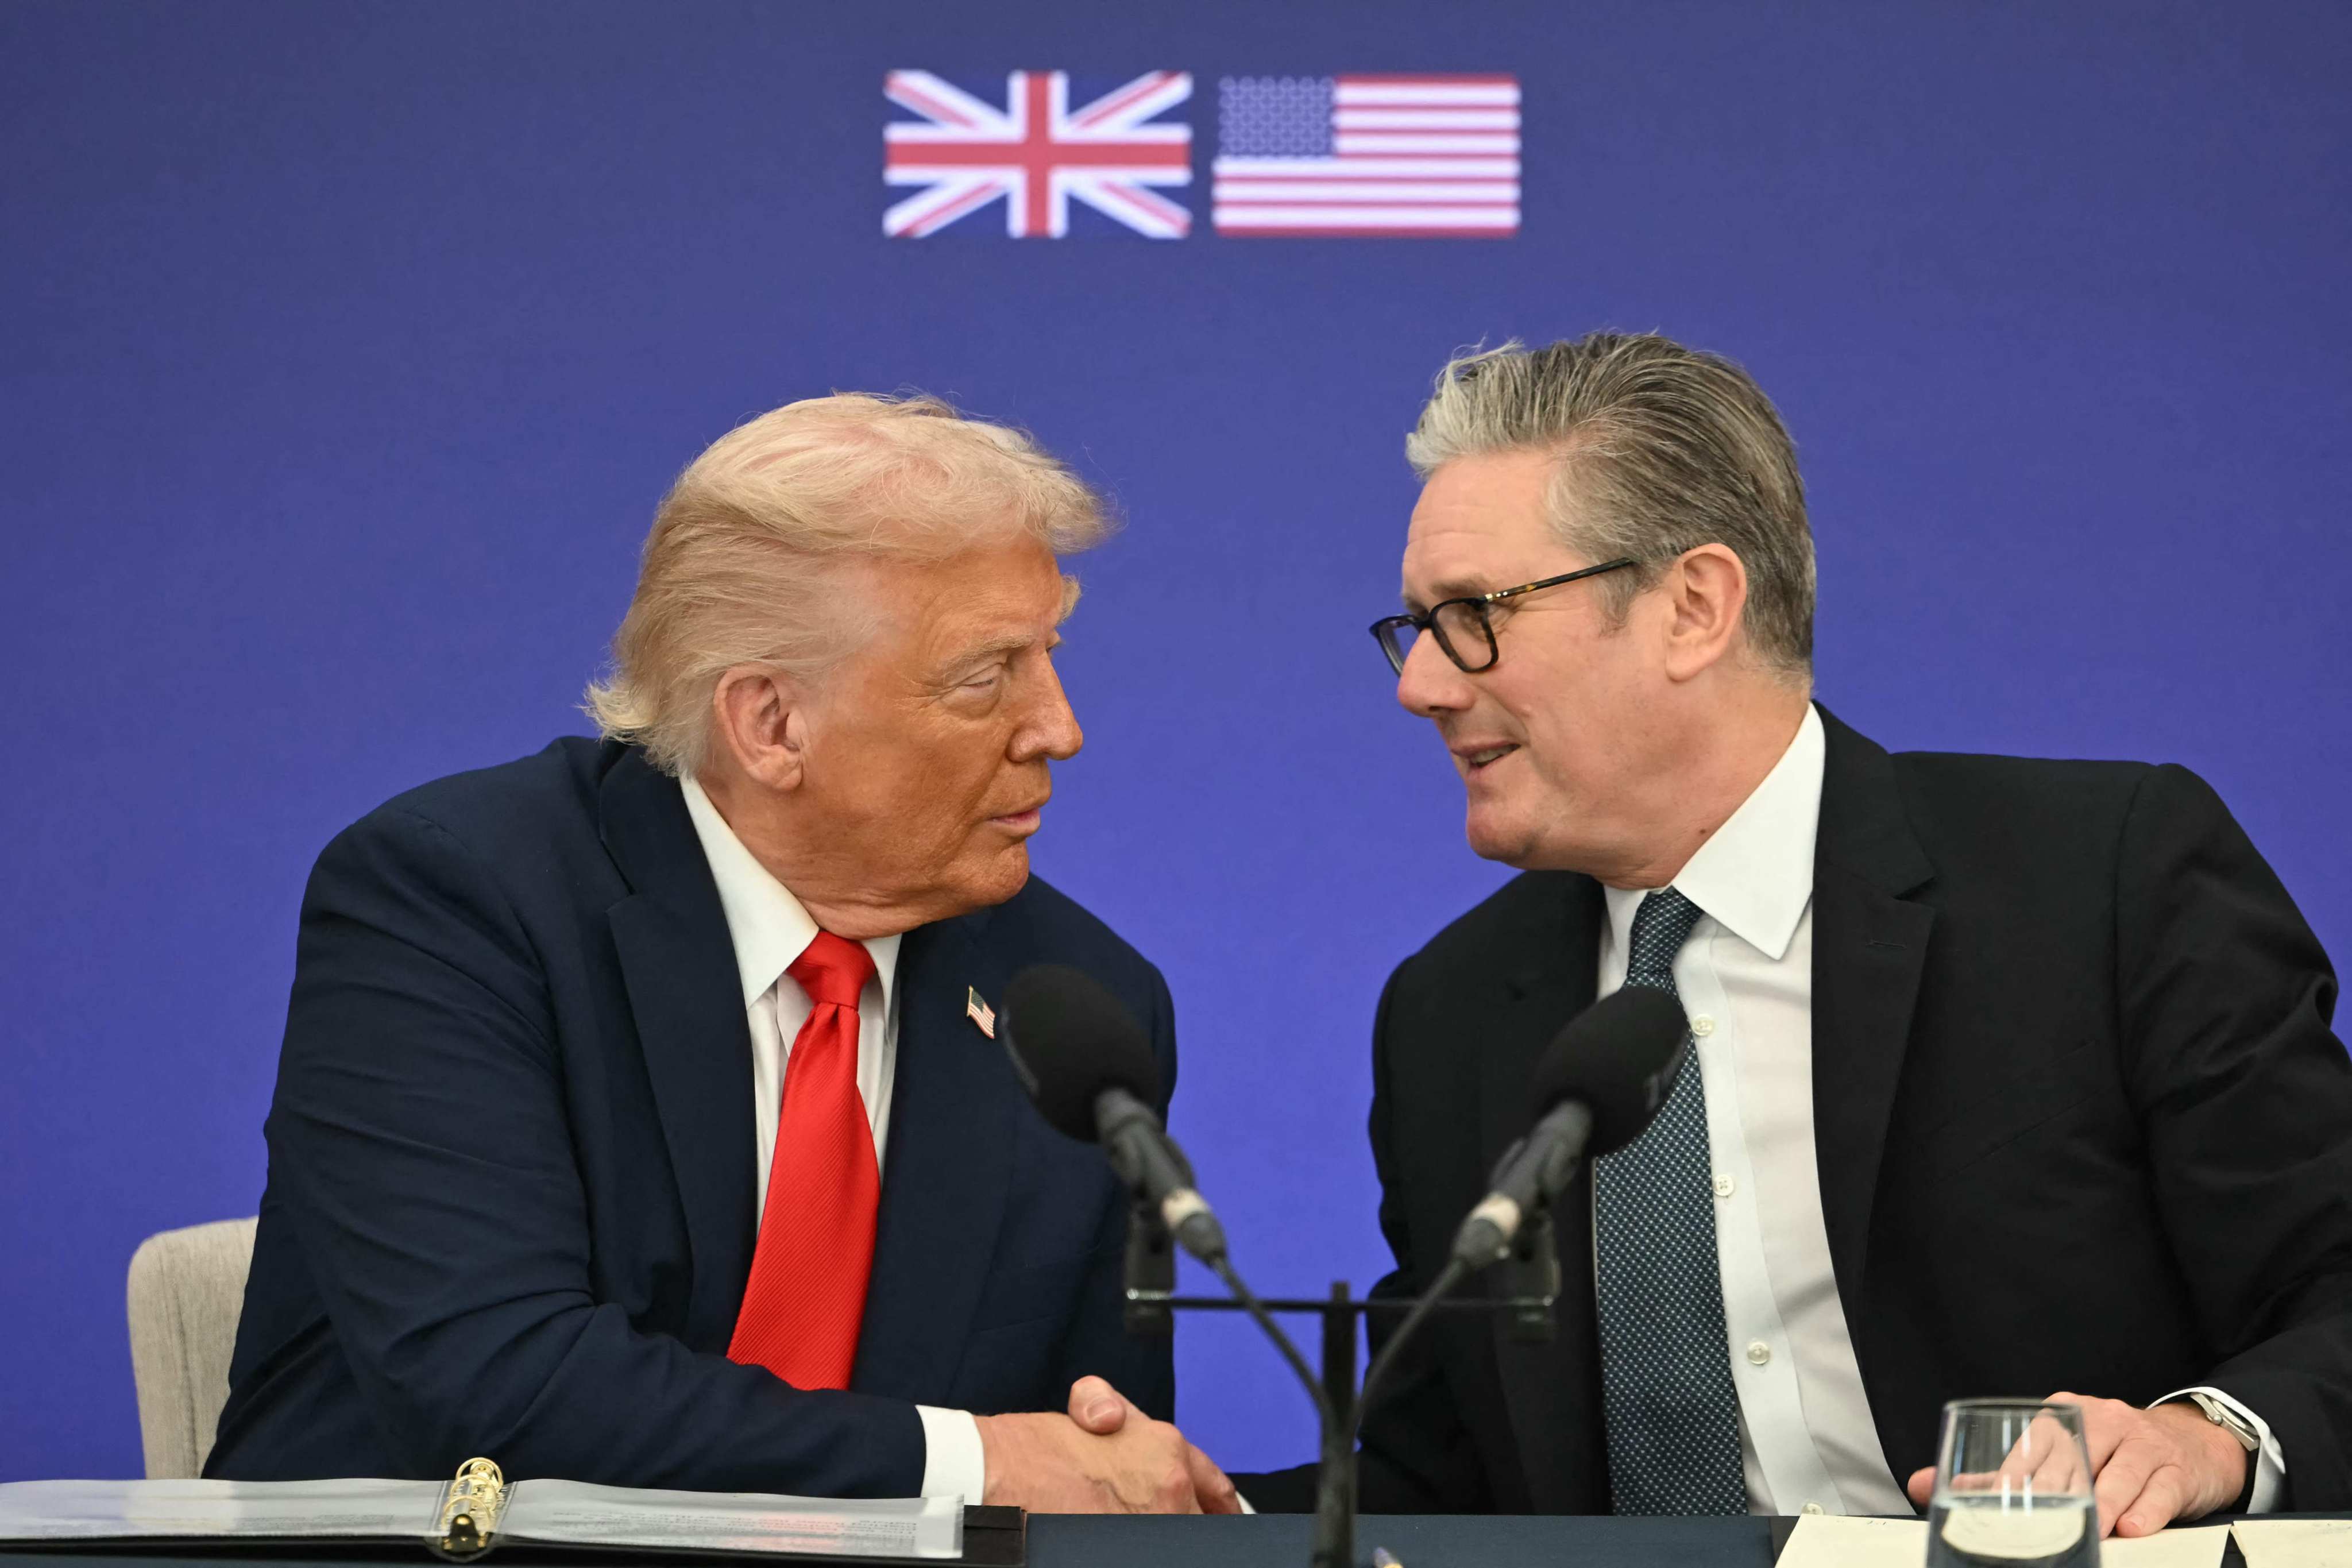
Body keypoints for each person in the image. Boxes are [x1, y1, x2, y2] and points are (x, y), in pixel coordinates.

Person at [1237, 333, 2352, 1531]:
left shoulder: (2097, 883)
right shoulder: (1449, 1011)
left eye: (1473, 615)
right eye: (1415, 627)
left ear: (1694, 608)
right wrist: (1201, 1519)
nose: (1421, 685)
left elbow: (2329, 1288)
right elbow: (1444, 1485)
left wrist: (2204, 1440)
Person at [208, 393, 1240, 1515]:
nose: (1057, 725)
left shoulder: (1075, 1004)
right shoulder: (458, 901)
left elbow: (1090, 1453)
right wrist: (970, 1465)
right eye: (985, 675)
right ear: (770, 725)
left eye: (1048, 651)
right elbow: (493, 1384)